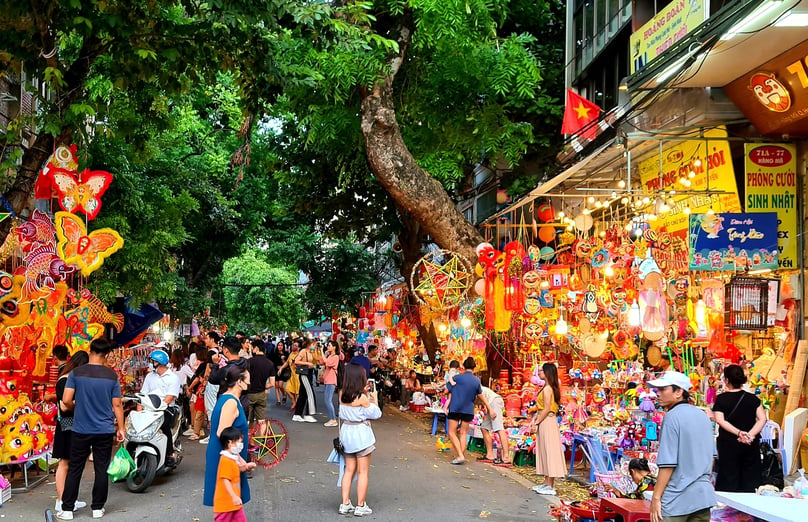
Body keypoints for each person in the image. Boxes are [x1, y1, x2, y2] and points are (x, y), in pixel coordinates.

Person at [57, 338, 125, 521]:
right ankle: (97, 508)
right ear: (107, 355)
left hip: (80, 428)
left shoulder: (76, 373)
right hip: (104, 429)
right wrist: (122, 428)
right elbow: (117, 405)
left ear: (90, 350)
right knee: (101, 468)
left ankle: (68, 509)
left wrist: (75, 408)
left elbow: (66, 400)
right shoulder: (111, 376)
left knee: (75, 468)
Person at [647, 370, 715, 522]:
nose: (658, 393)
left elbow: (667, 464)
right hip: (703, 498)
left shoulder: (672, 417)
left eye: (663, 389)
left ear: (678, 392)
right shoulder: (703, 416)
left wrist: (656, 498)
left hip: (676, 500)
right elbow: (711, 458)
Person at [204, 365, 256, 509]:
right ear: (240, 382)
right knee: (229, 501)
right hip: (225, 456)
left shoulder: (230, 398)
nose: (250, 384)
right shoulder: (231, 402)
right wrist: (239, 460)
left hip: (229, 455)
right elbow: (222, 433)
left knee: (231, 502)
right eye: (248, 381)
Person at [712, 364, 766, 492]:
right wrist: (750, 435)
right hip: (750, 443)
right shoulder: (753, 399)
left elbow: (720, 420)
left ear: (726, 381)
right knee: (750, 476)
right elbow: (763, 418)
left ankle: (729, 508)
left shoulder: (721, 399)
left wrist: (739, 433)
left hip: (728, 443)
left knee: (729, 476)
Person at [338, 363, 382, 516]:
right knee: (363, 472)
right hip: (361, 436)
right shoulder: (362, 398)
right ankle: (360, 505)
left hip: (347, 435)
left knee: (349, 470)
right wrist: (373, 398)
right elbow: (376, 414)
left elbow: (349, 406)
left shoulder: (342, 394)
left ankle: (345, 504)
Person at [52, 350, 90, 513]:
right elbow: (64, 405)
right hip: (66, 426)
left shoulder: (73, 379)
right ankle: (61, 500)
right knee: (64, 463)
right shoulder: (64, 380)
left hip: (76, 425)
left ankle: (70, 498)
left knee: (73, 463)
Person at [529, 363, 566, 495]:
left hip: (547, 421)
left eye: (541, 370)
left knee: (549, 451)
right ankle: (546, 482)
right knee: (545, 450)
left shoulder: (548, 389)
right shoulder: (547, 388)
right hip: (545, 420)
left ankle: (550, 484)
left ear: (548, 372)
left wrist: (537, 422)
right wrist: (535, 420)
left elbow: (546, 409)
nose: (539, 373)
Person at [141, 348, 182, 467]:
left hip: (166, 409)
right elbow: (143, 394)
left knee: (164, 427)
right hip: (149, 409)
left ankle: (169, 453)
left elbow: (169, 398)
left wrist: (157, 408)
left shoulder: (173, 378)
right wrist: (139, 411)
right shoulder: (149, 377)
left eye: (152, 361)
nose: (150, 363)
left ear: (157, 362)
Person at [446, 357, 484, 465]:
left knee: (452, 432)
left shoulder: (457, 378)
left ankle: (460, 455)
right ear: (474, 367)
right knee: (463, 433)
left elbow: (448, 389)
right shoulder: (477, 381)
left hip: (456, 407)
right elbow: (479, 394)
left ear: (463, 366)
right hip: (468, 409)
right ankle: (460, 455)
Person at [213, 427, 251, 522]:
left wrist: (246, 466)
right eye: (239, 442)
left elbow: (235, 470)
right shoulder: (226, 460)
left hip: (234, 503)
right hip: (226, 503)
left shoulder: (231, 458)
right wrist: (233, 496)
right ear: (230, 443)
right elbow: (225, 480)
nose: (241, 445)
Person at [209, 336, 250, 412]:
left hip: (229, 406)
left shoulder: (226, 369)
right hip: (244, 404)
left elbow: (212, 379)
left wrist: (215, 364)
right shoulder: (247, 363)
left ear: (226, 350)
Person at [246, 339, 276, 428]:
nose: (251, 350)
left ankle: (250, 439)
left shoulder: (249, 362)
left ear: (256, 348)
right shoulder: (270, 363)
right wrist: (263, 386)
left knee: (248, 419)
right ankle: (262, 440)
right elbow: (272, 383)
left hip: (249, 393)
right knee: (261, 420)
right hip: (261, 394)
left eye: (252, 348)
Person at [477, 385, 509, 466]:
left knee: (499, 428)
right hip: (491, 404)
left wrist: (490, 410)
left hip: (494, 402)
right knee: (484, 428)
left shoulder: (472, 386)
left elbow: (481, 395)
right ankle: (490, 455)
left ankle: (506, 458)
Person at [291, 340, 318, 422]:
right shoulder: (303, 351)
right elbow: (296, 361)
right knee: (310, 393)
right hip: (304, 373)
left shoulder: (311, 351)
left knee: (303, 394)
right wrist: (307, 363)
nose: (313, 345)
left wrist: (316, 349)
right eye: (313, 344)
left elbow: (316, 359)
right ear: (309, 344)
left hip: (309, 373)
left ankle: (297, 414)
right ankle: (308, 414)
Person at [323, 340, 342, 427]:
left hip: (331, 380)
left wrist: (321, 351)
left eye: (330, 345)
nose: (328, 346)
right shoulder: (329, 355)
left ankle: (333, 419)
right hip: (328, 379)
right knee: (327, 400)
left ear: (334, 347)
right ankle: (332, 418)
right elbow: (321, 361)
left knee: (328, 400)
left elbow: (327, 363)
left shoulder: (335, 357)